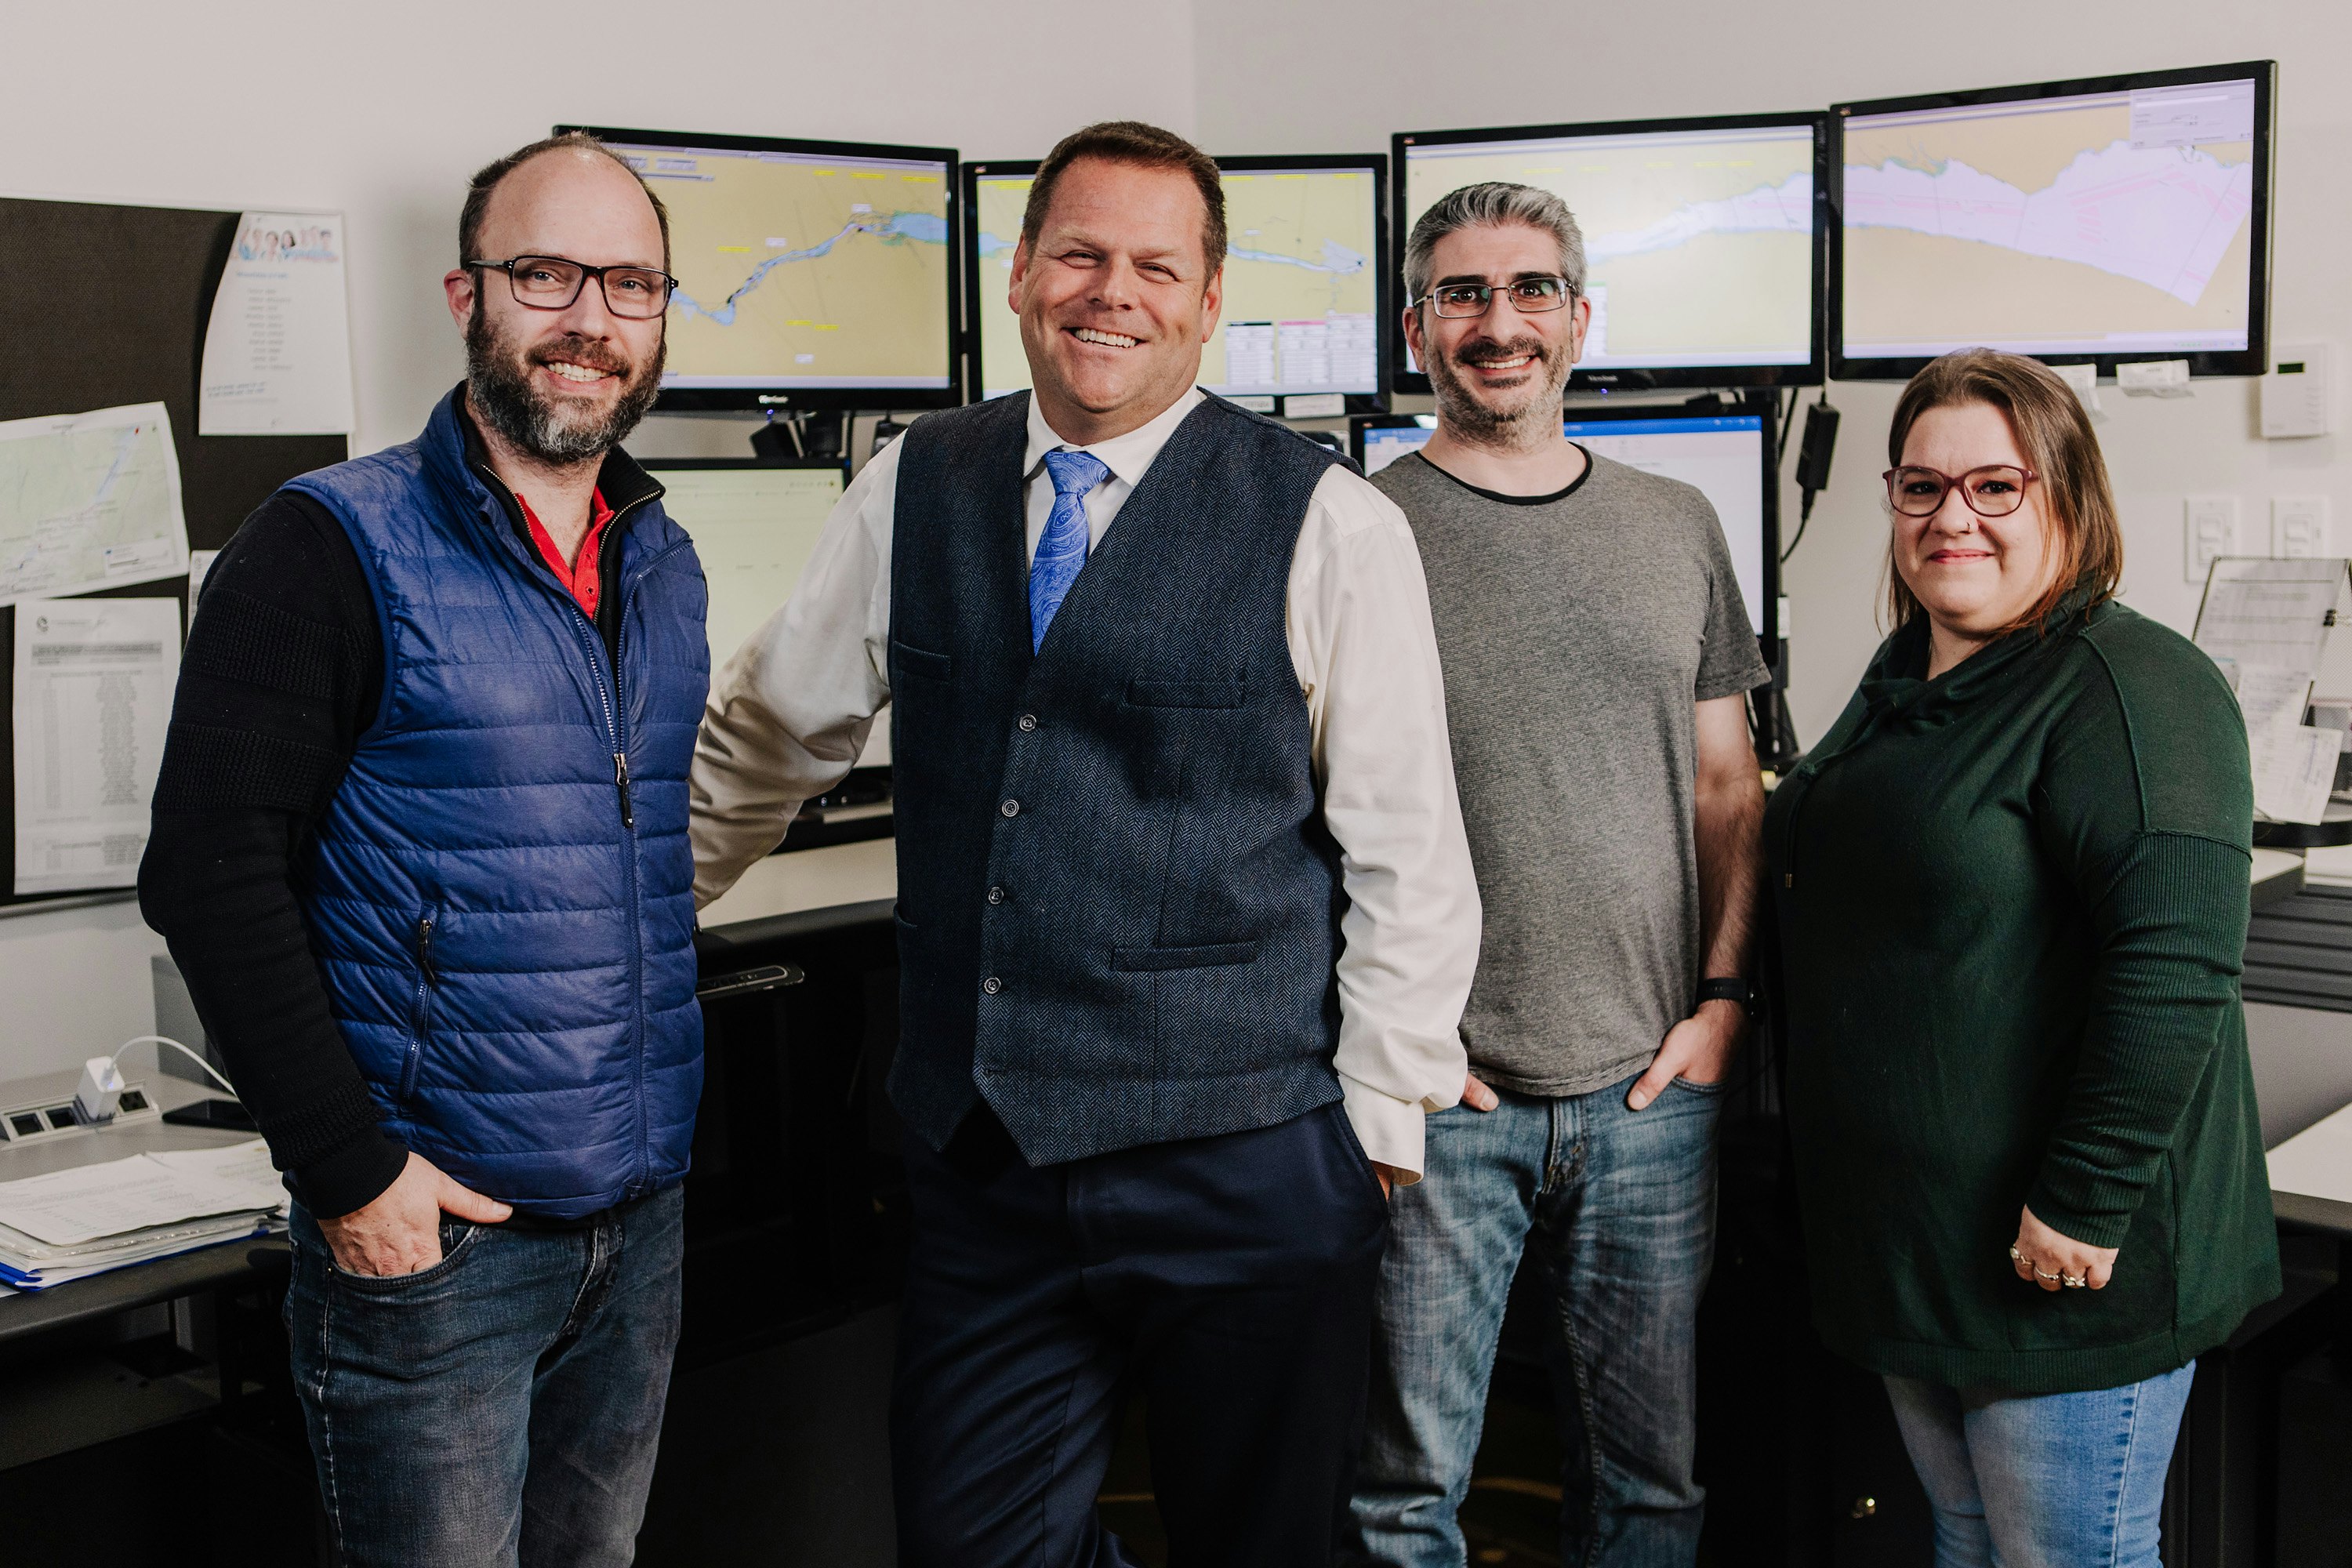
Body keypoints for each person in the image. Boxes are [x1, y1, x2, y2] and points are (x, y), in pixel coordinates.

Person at [691, 120, 1481, 1567]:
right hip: (988, 1159)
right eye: (1081, 254)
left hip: (1245, 1157)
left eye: (1154, 266)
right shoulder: (912, 486)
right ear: (1020, 273)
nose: (1112, 292)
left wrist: (1375, 1135)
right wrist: (631, 913)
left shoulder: (1331, 523)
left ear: (1207, 297)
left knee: (1265, 1549)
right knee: (973, 1542)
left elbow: (1407, 853)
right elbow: (768, 737)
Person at [138, 134, 708, 1567]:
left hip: (635, 1223)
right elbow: (208, 874)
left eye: (629, 284)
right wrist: (349, 1173)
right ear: (469, 293)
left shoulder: (665, 555)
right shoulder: (327, 544)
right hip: (436, 1243)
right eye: (546, 273)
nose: (589, 318)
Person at [1764, 348, 2281, 1566]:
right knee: (1965, 1541)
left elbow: (2177, 969)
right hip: (1922, 1249)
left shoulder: (2135, 686)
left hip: (2059, 1262)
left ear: (2069, 498)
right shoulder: (1914, 669)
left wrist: (2085, 1203)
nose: (1955, 517)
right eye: (1921, 487)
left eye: (1997, 487)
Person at [1347, 183, 1771, 1565]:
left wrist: (1722, 998)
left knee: (1653, 1483)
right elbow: (1294, 812)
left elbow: (1726, 783)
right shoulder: (1353, 532)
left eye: (1530, 290)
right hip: (1441, 1100)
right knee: (1407, 1492)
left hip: (1653, 1093)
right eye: (1462, 296)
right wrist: (1388, 1044)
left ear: (1582, 318)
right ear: (1418, 330)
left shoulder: (1676, 524)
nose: (1499, 325)